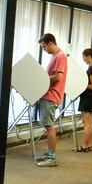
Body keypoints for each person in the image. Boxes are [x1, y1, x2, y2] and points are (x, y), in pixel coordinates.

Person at [35, 33, 68, 167]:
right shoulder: (55, 56)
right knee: (48, 126)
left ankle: (52, 157)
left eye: (44, 47)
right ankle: (49, 153)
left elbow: (58, 77)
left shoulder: (60, 56)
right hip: (47, 95)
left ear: (50, 43)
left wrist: (41, 79)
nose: (44, 50)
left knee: (49, 127)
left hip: (51, 95)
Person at [74, 48, 92, 152]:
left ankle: (85, 145)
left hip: (89, 98)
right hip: (90, 98)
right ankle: (89, 144)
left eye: (83, 57)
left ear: (89, 56)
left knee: (87, 123)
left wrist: (81, 84)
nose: (83, 59)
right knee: (90, 123)